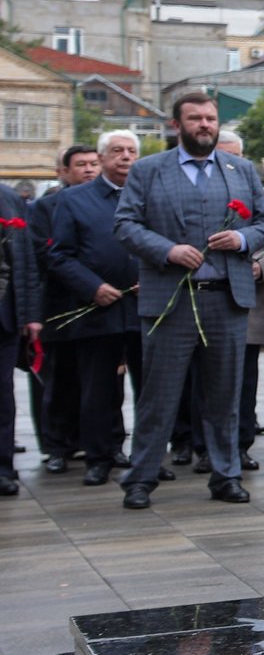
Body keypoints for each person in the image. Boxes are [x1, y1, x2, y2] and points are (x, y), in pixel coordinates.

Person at [114, 93, 264, 509]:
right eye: (195, 118)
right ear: (176, 125)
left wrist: (241, 239)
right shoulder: (148, 170)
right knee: (159, 396)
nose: (204, 124)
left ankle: (225, 475)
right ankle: (141, 478)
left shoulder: (242, 169)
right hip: (171, 301)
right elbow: (125, 224)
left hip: (226, 300)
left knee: (225, 396)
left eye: (210, 118)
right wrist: (167, 250)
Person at [46, 134, 142, 486]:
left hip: (146, 308)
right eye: (117, 151)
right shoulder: (73, 199)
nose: (125, 157)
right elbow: (59, 255)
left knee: (151, 388)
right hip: (96, 308)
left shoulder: (148, 192)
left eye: (132, 151)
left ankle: (146, 457)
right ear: (101, 158)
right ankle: (99, 458)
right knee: (97, 390)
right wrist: (93, 287)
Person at [29, 144, 101, 474]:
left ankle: (100, 441)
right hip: (60, 306)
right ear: (64, 171)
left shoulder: (111, 202)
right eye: (81, 164)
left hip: (102, 304)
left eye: (93, 163)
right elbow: (46, 254)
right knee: (58, 381)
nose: (88, 169)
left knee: (99, 381)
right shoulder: (45, 207)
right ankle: (57, 446)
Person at [217, 132, 264, 471]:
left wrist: (263, 266)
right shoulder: (202, 192)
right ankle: (199, 444)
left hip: (249, 298)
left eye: (236, 157)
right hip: (204, 296)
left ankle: (241, 445)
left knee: (245, 379)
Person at [0, 180, 41, 498]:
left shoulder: (10, 199)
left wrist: (30, 315)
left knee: (2, 396)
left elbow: (25, 262)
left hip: (4, 317)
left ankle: (3, 467)